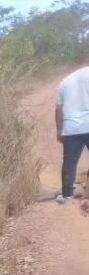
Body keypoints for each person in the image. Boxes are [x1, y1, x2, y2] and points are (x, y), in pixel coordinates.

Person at [56, 57, 89, 202]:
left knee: (69, 161)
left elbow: (58, 109)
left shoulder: (65, 81)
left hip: (71, 128)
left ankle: (67, 194)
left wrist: (59, 130)